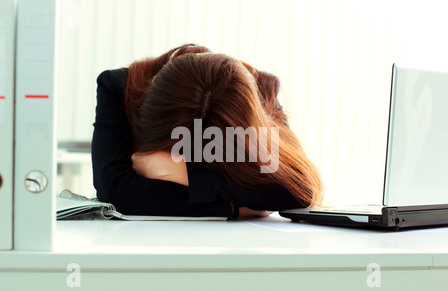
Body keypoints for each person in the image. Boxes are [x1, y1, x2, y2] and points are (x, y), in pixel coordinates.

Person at [91, 44, 323, 219]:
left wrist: (185, 174)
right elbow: (115, 192)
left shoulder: (262, 92)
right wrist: (236, 208)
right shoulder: (119, 87)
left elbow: (299, 190)